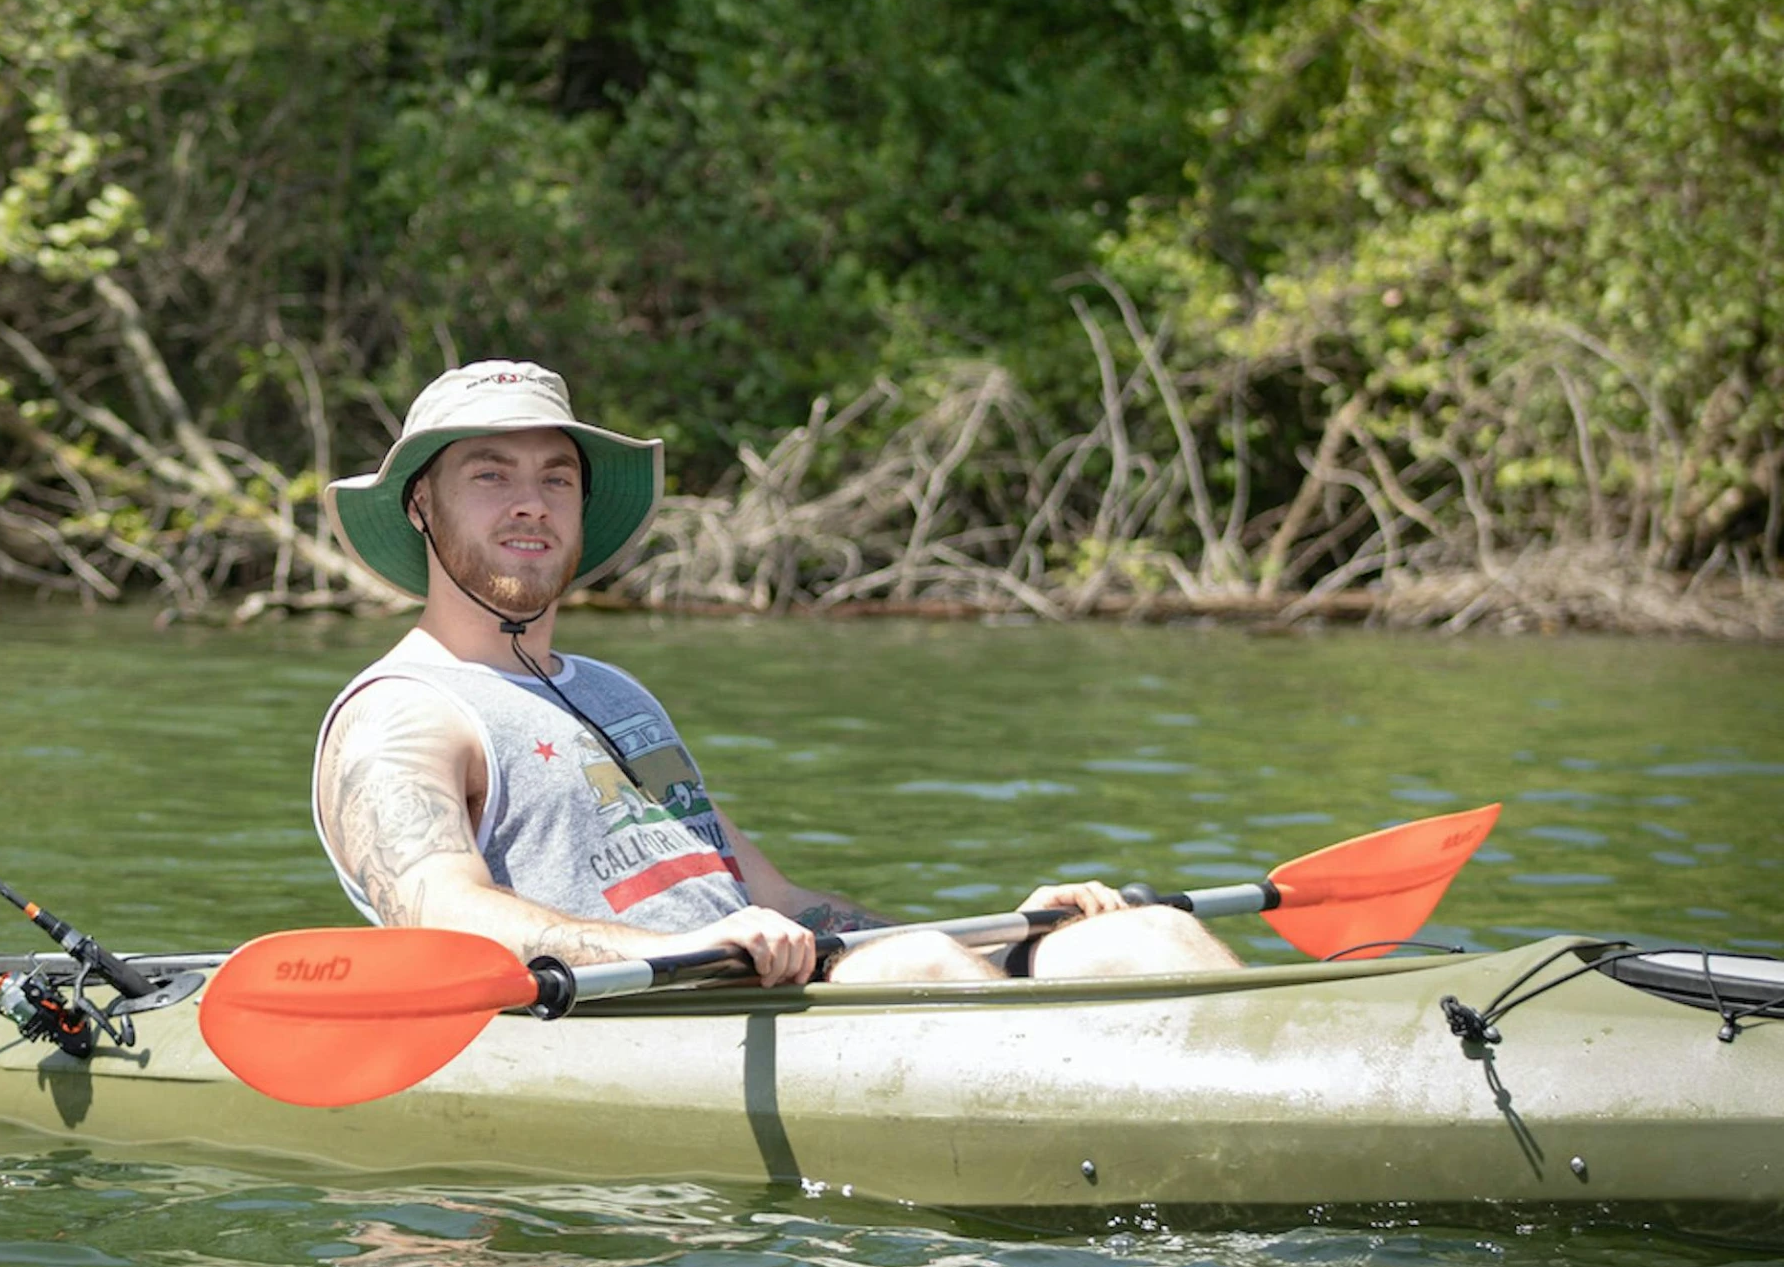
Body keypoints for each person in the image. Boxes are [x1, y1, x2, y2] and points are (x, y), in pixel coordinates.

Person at [311, 362, 1238, 985]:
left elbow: (780, 904)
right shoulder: (401, 715)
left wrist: (1003, 934)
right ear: (422, 506)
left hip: (766, 993)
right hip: (635, 1022)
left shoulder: (616, 695)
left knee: (1136, 936)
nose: (531, 503)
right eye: (490, 475)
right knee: (921, 975)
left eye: (556, 478)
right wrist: (686, 948)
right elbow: (439, 914)